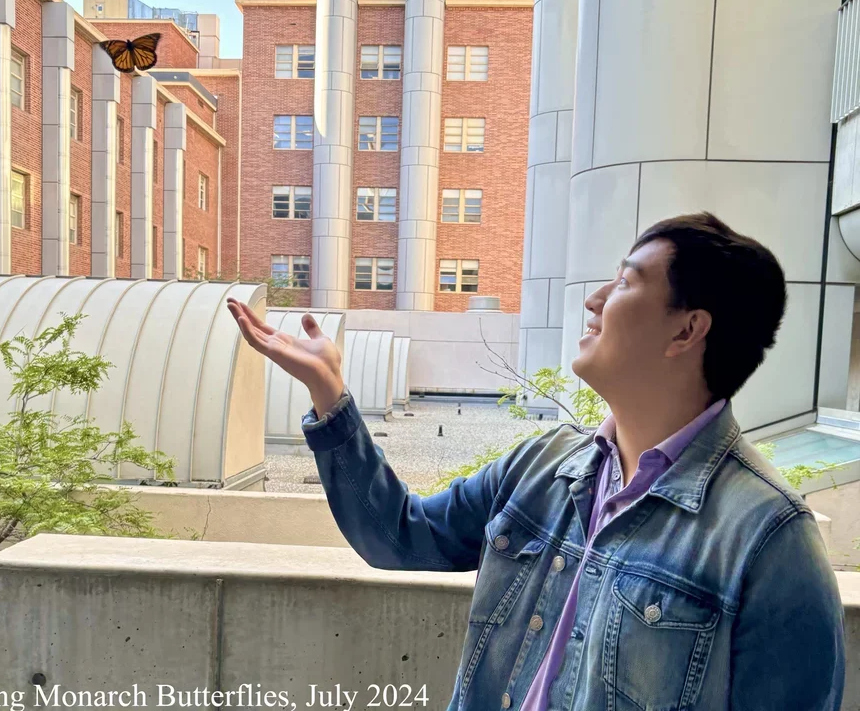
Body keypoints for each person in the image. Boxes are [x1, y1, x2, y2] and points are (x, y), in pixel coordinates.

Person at [226, 212, 845, 711]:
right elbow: (400, 536)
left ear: (686, 332)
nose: (595, 300)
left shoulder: (768, 540)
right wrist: (330, 394)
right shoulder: (541, 467)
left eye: (626, 283)